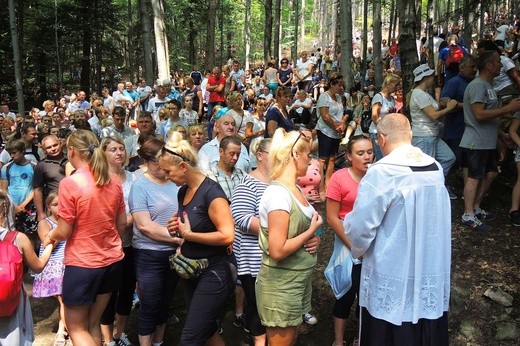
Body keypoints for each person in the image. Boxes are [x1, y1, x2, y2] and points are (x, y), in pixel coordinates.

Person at [345, 113, 451, 345]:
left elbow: (361, 226)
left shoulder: (382, 171)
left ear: (381, 139)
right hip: (429, 263)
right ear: (410, 134)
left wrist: (359, 249)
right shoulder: (434, 167)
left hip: (391, 265)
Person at [43, 130, 127, 346]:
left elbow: (64, 230)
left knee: (76, 327)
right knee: (92, 323)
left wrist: (50, 235)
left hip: (83, 264)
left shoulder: (70, 184)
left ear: (72, 151)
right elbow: (121, 225)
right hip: (112, 261)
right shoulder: (114, 181)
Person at [160, 132, 235, 346]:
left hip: (215, 272)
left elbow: (228, 235)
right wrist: (175, 229)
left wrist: (188, 234)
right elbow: (187, 227)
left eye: (168, 171)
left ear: (183, 167)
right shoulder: (183, 191)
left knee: (190, 338)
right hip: (192, 269)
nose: (166, 176)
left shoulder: (212, 193)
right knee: (208, 329)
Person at [256, 128, 322, 345]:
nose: (310, 160)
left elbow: (296, 233)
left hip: (295, 282)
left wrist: (313, 239)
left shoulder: (293, 189)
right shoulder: (277, 195)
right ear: (295, 155)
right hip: (280, 286)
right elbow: (277, 250)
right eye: (308, 155)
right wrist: (311, 231)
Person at [128, 138, 181, 346]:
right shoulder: (140, 186)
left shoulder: (176, 183)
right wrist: (180, 238)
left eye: (164, 159)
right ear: (147, 161)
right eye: (157, 160)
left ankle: (158, 342)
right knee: (150, 304)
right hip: (149, 254)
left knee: (165, 303)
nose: (162, 164)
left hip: (175, 253)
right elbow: (144, 226)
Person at [460, 50, 520, 231]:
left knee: (492, 173)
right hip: (475, 142)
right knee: (474, 177)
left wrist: (502, 135)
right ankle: (468, 214)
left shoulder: (488, 86)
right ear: (489, 65)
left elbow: (490, 118)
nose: (501, 65)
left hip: (487, 141)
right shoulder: (478, 85)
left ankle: (476, 208)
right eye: (497, 62)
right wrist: (508, 108)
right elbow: (479, 115)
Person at [326, 135, 374, 346]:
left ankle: (361, 337)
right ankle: (338, 340)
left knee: (368, 293)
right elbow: (332, 217)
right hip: (348, 242)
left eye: (370, 152)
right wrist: (355, 248)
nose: (367, 157)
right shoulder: (339, 178)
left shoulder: (378, 176)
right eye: (360, 153)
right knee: (348, 290)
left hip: (373, 243)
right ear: (349, 156)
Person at [230, 138, 271, 346]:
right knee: (257, 310)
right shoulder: (247, 184)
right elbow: (242, 218)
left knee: (271, 311)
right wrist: (281, 229)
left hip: (277, 258)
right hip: (254, 262)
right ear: (260, 155)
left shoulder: (281, 183)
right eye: (274, 154)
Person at [0, 190, 54, 346]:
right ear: (6, 212)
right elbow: (38, 267)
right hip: (12, 299)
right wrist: (49, 244)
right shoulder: (17, 238)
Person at [99, 137, 137, 346]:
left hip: (131, 243)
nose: (119, 153)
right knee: (107, 293)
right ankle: (107, 339)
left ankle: (119, 333)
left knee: (127, 289)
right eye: (113, 149)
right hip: (107, 245)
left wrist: (130, 221)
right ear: (103, 153)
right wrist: (126, 222)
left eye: (121, 148)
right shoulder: (100, 179)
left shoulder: (133, 178)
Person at [409, 64, 458, 186]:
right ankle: (426, 189)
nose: (433, 78)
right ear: (426, 77)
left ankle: (436, 183)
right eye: (431, 76)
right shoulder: (419, 94)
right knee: (424, 169)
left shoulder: (424, 94)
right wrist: (450, 107)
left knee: (448, 158)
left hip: (432, 135)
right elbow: (433, 115)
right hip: (424, 136)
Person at [32, 192, 68, 345]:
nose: (59, 207)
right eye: (55, 204)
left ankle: (63, 328)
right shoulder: (44, 223)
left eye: (62, 203)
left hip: (69, 263)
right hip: (53, 265)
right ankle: (63, 329)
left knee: (65, 300)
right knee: (63, 300)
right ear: (48, 207)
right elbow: (48, 244)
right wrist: (61, 228)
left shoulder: (69, 220)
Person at [440, 55, 478, 169]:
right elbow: (443, 102)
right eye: (472, 67)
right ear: (462, 68)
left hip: (471, 130)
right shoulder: (454, 82)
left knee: (468, 164)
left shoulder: (475, 83)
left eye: (476, 67)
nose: (474, 70)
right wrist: (464, 106)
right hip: (455, 131)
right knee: (455, 161)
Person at [315, 75, 349, 189]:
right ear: (332, 85)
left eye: (342, 86)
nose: (341, 88)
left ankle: (328, 184)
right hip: (325, 130)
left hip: (336, 132)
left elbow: (341, 114)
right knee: (323, 158)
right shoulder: (324, 97)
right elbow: (325, 116)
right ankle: (320, 184)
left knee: (332, 158)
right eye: (339, 85)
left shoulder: (339, 98)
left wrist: (342, 125)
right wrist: (336, 127)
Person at [32, 134, 68, 221]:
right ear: (44, 150)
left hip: (74, 202)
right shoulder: (41, 165)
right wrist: (40, 213)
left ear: (60, 143)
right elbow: (38, 190)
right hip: (56, 206)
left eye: (55, 145)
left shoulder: (71, 158)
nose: (53, 149)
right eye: (49, 147)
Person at [370, 73, 401, 160]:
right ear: (388, 84)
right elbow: (374, 116)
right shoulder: (379, 97)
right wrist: (382, 129)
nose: (398, 87)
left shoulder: (392, 99)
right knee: (381, 159)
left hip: (387, 132)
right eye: (396, 85)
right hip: (377, 133)